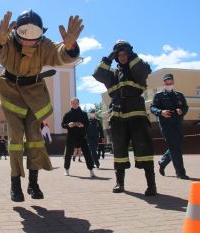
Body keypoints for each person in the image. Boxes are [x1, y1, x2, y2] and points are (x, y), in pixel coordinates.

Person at [0, 10, 83, 202]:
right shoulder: (7, 40)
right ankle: (15, 183)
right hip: (11, 92)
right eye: (25, 35)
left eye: (34, 36)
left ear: (40, 34)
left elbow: (60, 56)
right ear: (17, 32)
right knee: (16, 138)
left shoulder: (44, 44)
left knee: (35, 138)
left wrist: (70, 47)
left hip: (34, 94)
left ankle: (33, 183)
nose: (29, 41)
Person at [92, 40, 157, 196]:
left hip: (136, 114)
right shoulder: (112, 74)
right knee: (119, 150)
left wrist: (133, 55)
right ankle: (119, 183)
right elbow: (97, 74)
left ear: (129, 54)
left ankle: (151, 185)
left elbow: (142, 70)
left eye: (124, 54)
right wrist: (108, 58)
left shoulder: (138, 68)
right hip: (118, 116)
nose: (122, 57)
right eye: (119, 55)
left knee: (144, 148)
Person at [150, 74, 189, 179]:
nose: (169, 85)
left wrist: (182, 111)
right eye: (167, 83)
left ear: (173, 82)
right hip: (166, 125)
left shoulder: (179, 95)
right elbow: (152, 108)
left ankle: (162, 162)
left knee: (176, 146)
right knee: (174, 147)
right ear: (164, 83)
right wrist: (161, 112)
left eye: (170, 83)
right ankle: (180, 173)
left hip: (178, 123)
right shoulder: (158, 95)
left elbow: (185, 107)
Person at [61, 97, 96, 177]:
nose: (74, 104)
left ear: (78, 103)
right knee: (68, 154)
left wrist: (83, 125)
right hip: (71, 136)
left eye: (76, 103)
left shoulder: (83, 114)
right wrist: (68, 125)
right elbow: (63, 125)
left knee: (87, 153)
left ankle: (91, 170)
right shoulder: (67, 114)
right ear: (71, 104)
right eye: (73, 103)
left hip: (82, 136)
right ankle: (67, 170)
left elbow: (87, 124)